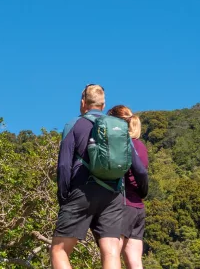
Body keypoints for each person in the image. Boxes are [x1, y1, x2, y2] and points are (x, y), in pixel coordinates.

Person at [51, 85, 148, 269]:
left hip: (82, 191)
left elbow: (64, 166)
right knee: (111, 251)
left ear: (82, 103)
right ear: (103, 105)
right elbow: (137, 166)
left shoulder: (74, 125)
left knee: (59, 250)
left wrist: (64, 197)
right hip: (113, 195)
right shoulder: (119, 127)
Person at [107, 106, 149, 269]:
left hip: (123, 205)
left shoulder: (123, 144)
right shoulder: (141, 146)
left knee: (112, 255)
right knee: (135, 261)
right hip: (138, 208)